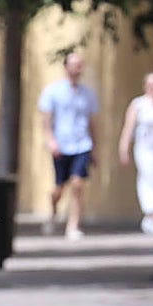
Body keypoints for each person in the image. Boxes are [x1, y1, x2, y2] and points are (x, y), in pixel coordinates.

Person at [38, 52, 99, 240]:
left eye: (80, 65)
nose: (77, 69)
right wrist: (51, 140)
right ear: (66, 67)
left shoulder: (88, 94)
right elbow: (46, 120)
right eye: (73, 65)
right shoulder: (52, 91)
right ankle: (54, 212)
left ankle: (73, 225)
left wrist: (94, 149)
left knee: (78, 183)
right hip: (61, 145)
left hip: (82, 144)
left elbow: (92, 122)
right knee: (59, 188)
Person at [118, 71, 153, 236]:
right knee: (150, 179)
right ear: (146, 86)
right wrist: (124, 148)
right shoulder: (138, 104)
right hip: (145, 150)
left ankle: (150, 218)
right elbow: (128, 128)